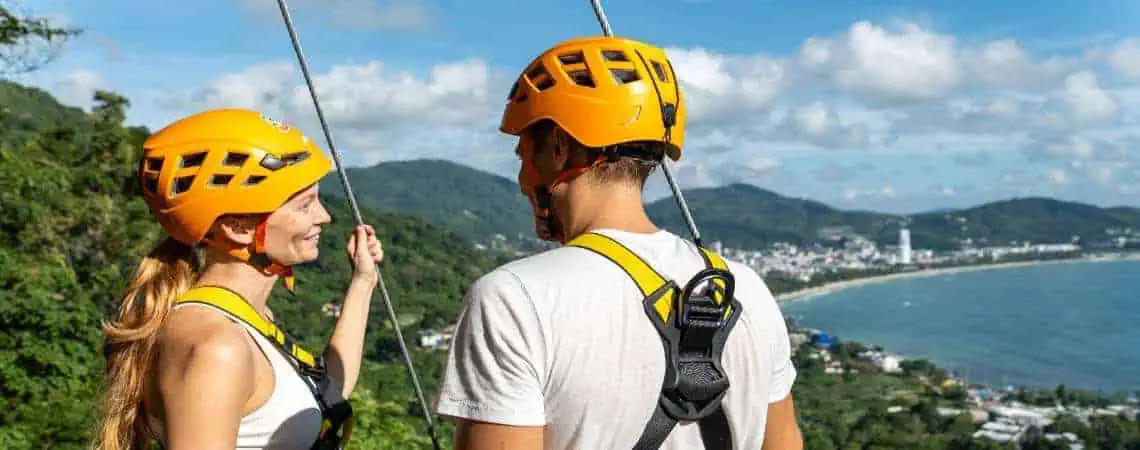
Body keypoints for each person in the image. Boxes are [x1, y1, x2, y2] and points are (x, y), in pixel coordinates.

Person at [433, 36, 804, 449]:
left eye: (522, 155)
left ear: (558, 147)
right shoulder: (746, 287)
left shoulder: (513, 299)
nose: (521, 179)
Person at [95, 108, 382, 450]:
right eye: (305, 206)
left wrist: (363, 283)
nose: (325, 217)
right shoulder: (218, 346)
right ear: (239, 228)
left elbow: (327, 389)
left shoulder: (244, 323)